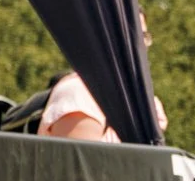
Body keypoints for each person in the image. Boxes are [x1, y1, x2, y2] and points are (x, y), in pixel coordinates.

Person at [40, 10, 168, 142]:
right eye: (131, 34)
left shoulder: (132, 98)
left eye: (144, 36)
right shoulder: (80, 95)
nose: (141, 45)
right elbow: (81, 161)